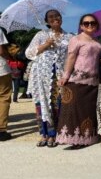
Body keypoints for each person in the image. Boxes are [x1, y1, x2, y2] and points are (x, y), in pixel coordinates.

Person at [25, 9, 73, 147]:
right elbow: (29, 53)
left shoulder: (68, 37)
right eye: (51, 17)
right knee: (41, 104)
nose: (55, 18)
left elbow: (72, 56)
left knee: (57, 104)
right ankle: (44, 134)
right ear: (46, 21)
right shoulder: (41, 35)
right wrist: (45, 45)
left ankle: (55, 134)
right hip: (41, 75)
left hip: (59, 75)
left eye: (57, 15)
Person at [56, 14, 101, 149]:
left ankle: (87, 138)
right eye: (86, 23)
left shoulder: (98, 41)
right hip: (77, 80)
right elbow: (71, 57)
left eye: (92, 23)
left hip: (93, 81)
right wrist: (65, 76)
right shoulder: (75, 39)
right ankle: (73, 138)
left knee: (87, 111)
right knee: (73, 110)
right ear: (81, 25)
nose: (90, 25)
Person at [0, 27, 12, 141]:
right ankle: (1, 129)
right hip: (1, 70)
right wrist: (11, 56)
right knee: (4, 97)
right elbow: (1, 51)